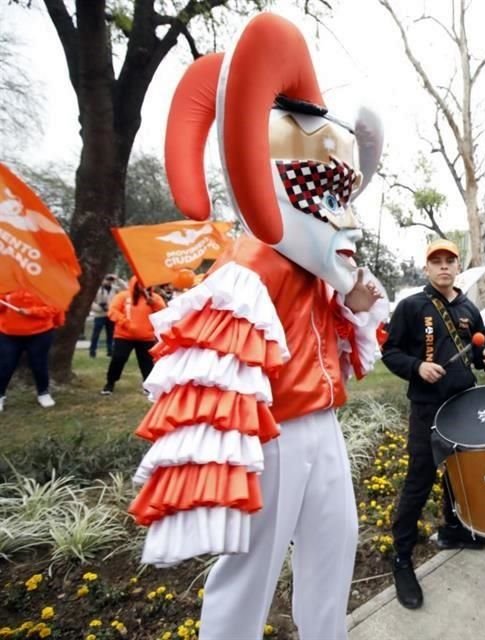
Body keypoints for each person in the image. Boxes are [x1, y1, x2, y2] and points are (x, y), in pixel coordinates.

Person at [125, 16, 389, 638]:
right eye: (322, 191)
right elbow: (214, 367)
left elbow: (338, 339)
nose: (341, 215)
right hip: (269, 434)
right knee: (252, 565)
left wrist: (352, 299)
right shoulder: (248, 266)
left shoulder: (317, 263)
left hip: (321, 424)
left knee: (335, 544)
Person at [382, 239, 485, 610]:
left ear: (457, 266)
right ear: (427, 268)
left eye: (450, 261)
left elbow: (478, 356)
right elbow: (391, 352)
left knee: (459, 472)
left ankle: (454, 528)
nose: (444, 267)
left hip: (462, 404)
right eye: (437, 262)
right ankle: (401, 558)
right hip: (427, 409)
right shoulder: (411, 306)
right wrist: (417, 366)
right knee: (420, 479)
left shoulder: (468, 308)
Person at [0, 290, 64, 412]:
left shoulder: (46, 285)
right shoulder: (6, 284)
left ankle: (43, 393)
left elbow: (53, 308)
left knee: (39, 364)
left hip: (40, 333)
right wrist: (5, 301)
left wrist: (30, 312)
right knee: (5, 365)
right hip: (9, 333)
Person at [101, 276, 166, 395]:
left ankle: (148, 385)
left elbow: (164, 314)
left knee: (146, 362)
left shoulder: (155, 298)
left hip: (146, 337)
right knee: (118, 359)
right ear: (135, 284)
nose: (144, 286)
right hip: (123, 335)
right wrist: (125, 322)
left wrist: (154, 304)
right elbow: (113, 311)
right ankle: (110, 383)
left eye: (146, 284)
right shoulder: (123, 296)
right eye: (141, 283)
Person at [89, 274, 119, 358]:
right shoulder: (97, 289)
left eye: (111, 280)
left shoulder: (115, 289)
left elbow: (126, 289)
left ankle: (110, 351)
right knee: (96, 334)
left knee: (111, 334)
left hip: (111, 315)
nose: (109, 281)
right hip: (99, 314)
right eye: (107, 279)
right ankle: (92, 351)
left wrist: (118, 279)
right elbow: (91, 302)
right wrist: (100, 308)